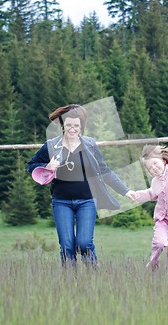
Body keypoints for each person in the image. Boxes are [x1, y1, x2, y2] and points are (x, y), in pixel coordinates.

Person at [27, 104, 137, 266]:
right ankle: (70, 283)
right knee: (66, 246)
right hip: (61, 202)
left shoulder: (90, 145)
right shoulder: (51, 146)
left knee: (84, 243)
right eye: (69, 125)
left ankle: (92, 275)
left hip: (87, 201)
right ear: (63, 125)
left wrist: (126, 191)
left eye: (76, 126)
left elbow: (105, 171)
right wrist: (47, 167)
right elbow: (31, 165)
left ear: (81, 127)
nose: (72, 129)